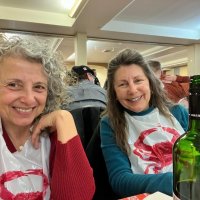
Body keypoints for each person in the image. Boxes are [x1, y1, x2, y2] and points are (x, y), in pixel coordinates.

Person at [0, 37, 95, 199]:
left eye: (38, 87)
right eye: (14, 84)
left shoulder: (56, 135)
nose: (29, 99)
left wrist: (65, 119)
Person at [100, 49, 188, 198]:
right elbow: (119, 180)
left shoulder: (178, 112)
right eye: (123, 84)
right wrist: (174, 181)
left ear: (150, 84)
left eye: (138, 80)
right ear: (113, 92)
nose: (133, 90)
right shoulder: (110, 123)